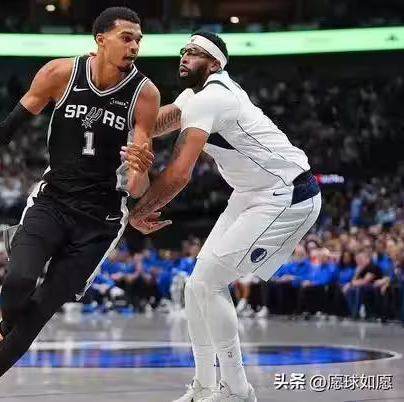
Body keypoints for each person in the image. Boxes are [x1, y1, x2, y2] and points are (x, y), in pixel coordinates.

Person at [0, 7, 159, 401]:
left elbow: (136, 185)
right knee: (19, 282)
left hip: (100, 220)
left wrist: (141, 169)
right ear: (101, 39)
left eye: (138, 39)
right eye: (126, 37)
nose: (134, 45)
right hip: (52, 201)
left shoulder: (145, 94)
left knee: (41, 309)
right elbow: (8, 130)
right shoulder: (60, 73)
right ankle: (2, 329)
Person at [129, 31, 322, 401]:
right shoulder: (195, 96)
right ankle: (204, 386)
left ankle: (238, 391)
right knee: (195, 287)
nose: (185, 57)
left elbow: (179, 174)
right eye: (184, 51)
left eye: (195, 53)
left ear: (215, 64)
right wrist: (112, 124)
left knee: (211, 283)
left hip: (288, 193)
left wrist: (140, 211)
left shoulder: (214, 98)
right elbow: (157, 124)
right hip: (251, 193)